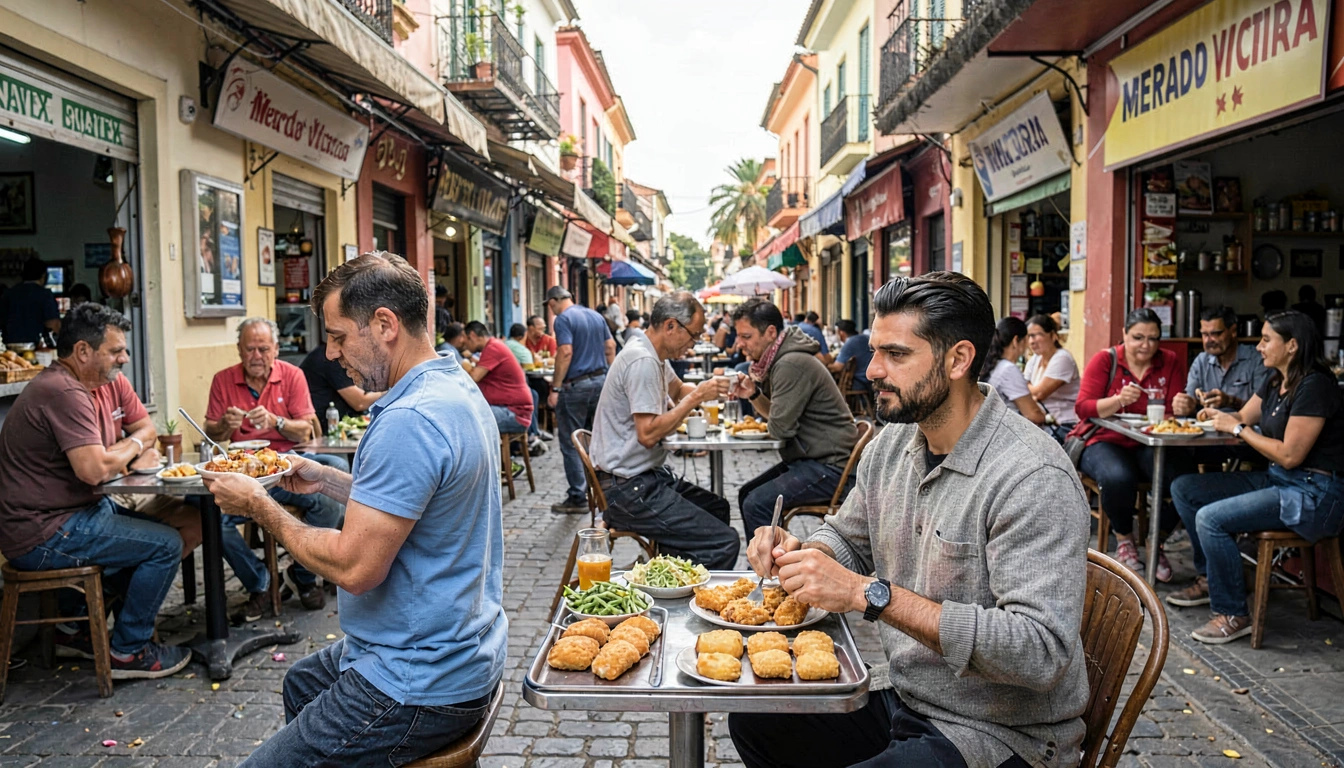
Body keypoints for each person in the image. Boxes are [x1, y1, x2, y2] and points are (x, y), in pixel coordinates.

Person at [729, 273, 1090, 768]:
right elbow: (847, 536)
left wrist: (866, 594)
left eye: (896, 355)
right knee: (756, 718)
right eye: (876, 350)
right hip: (912, 700)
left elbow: (1039, 651)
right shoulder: (895, 443)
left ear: (958, 359)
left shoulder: (1031, 475)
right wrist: (805, 552)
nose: (872, 370)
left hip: (1002, 733)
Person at [205, 252, 505, 766]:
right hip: (465, 647)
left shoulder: (409, 419)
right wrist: (328, 479)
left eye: (340, 335)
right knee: (302, 681)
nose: (330, 352)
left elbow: (354, 567)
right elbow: (418, 499)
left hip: (420, 677)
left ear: (385, 324)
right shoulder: (452, 385)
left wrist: (259, 505)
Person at [0, 303, 193, 678]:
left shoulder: (89, 384)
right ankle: (128, 650)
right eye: (116, 350)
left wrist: (121, 448)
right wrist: (133, 446)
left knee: (184, 521)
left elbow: (143, 431)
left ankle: (79, 626)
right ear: (83, 351)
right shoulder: (63, 391)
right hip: (43, 532)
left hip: (75, 514)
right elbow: (93, 470)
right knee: (165, 544)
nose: (125, 357)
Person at [1167, 311, 1344, 644]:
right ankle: (1212, 578)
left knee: (1210, 519)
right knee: (1187, 489)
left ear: (1292, 345)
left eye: (1266, 340)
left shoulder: (1315, 384)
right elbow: (1243, 416)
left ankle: (1234, 613)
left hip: (1314, 493)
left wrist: (1236, 428)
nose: (1259, 347)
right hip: (1281, 480)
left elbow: (1290, 454)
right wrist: (1215, 415)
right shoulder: (1276, 379)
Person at [204, 318, 347, 618]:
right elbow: (211, 435)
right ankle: (262, 582)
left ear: (277, 350)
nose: (256, 356)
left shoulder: (292, 375)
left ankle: (305, 574)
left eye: (263, 349)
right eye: (250, 349)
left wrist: (275, 421)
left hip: (285, 465)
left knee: (332, 486)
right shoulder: (223, 379)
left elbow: (304, 431)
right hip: (240, 470)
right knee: (210, 518)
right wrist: (221, 427)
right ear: (239, 350)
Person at [590, 292, 739, 568]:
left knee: (718, 508)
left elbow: (679, 389)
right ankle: (695, 602)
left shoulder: (651, 353)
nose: (693, 344)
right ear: (671, 326)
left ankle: (673, 576)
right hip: (628, 490)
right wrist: (696, 398)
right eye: (693, 335)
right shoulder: (643, 360)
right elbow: (647, 435)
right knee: (724, 541)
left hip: (644, 478)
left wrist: (715, 390)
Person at [1070, 307, 1194, 580]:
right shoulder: (1106, 360)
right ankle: (1125, 540)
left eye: (1153, 338)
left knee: (1185, 478)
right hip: (1102, 439)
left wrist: (1185, 406)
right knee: (1117, 476)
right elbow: (1083, 407)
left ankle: (1155, 538)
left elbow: (1175, 409)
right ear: (1124, 334)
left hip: (1149, 443)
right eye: (1138, 337)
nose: (1145, 346)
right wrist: (1117, 401)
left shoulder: (1169, 360)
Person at [731, 299, 857, 537]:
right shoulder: (781, 359)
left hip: (831, 466)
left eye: (746, 336)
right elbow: (778, 417)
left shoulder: (790, 363)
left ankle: (771, 571)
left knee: (756, 503)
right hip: (811, 459)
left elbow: (780, 430)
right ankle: (769, 565)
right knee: (747, 493)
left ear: (770, 332)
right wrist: (754, 393)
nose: (740, 344)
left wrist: (767, 409)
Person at [546, 285, 616, 514]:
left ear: (553, 302)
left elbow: (565, 352)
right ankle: (601, 490)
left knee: (571, 441)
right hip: (599, 381)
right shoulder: (595, 315)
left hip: (576, 386)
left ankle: (578, 496)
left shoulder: (563, 319)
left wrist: (555, 387)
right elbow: (610, 347)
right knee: (595, 439)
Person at [454, 321, 539, 453]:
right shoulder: (493, 346)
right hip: (509, 409)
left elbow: (474, 377)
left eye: (466, 340)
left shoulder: (493, 348)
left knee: (465, 422)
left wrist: (462, 363)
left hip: (514, 413)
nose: (464, 343)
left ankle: (484, 468)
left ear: (473, 335)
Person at [1173, 305, 1270, 417]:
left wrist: (1230, 402)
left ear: (1233, 331)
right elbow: (1190, 398)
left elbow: (1264, 408)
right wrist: (1185, 405)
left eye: (1216, 334)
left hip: (1243, 430)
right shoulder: (1201, 361)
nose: (1209, 340)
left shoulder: (1256, 360)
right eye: (1205, 334)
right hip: (1206, 430)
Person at [980, 317, 1046, 426]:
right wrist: (1043, 416)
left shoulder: (994, 365)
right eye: (1026, 341)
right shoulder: (1008, 369)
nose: (1027, 346)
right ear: (1016, 341)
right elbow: (1033, 415)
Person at [1023, 313, 1080, 442]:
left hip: (1063, 424)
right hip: (1042, 423)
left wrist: (1027, 388)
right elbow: (1022, 389)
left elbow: (1039, 393)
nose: (1032, 341)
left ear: (1053, 336)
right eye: (1029, 336)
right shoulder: (1035, 359)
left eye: (1037, 335)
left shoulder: (1062, 358)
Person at [300, 341, 383, 424]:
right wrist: (390, 391)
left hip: (336, 422)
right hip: (326, 427)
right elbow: (360, 403)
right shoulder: (331, 358)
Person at [0, 257, 60, 344]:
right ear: (43, 276)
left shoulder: (9, 294)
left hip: (11, 347)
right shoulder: (44, 295)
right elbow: (53, 325)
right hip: (38, 347)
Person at [826, 319, 872, 391]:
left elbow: (837, 367)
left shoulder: (850, 343)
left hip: (859, 382)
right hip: (870, 379)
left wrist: (826, 365)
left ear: (841, 333)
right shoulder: (865, 338)